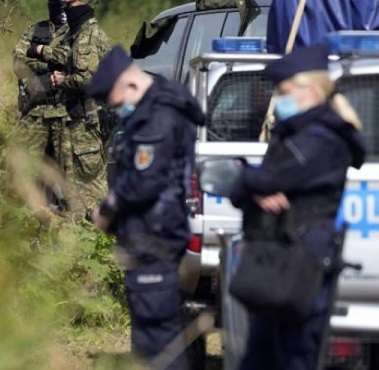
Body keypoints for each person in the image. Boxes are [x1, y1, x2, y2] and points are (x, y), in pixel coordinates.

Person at [229, 44, 366, 370]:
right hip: (276, 263)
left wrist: (252, 182)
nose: (279, 98)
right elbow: (244, 188)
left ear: (311, 90)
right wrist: (252, 184)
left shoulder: (323, 138)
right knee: (258, 359)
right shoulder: (292, 134)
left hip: (301, 267)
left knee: (294, 359)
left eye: (284, 90)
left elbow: (265, 178)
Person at [88, 46, 206, 370]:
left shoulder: (158, 117)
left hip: (155, 237)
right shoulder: (157, 110)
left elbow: (144, 181)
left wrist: (109, 208)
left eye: (115, 103)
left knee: (158, 341)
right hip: (152, 236)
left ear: (129, 84)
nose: (117, 110)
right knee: (153, 337)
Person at [27, 0, 111, 219]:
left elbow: (85, 78)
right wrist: (43, 51)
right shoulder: (80, 33)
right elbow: (68, 56)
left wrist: (61, 80)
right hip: (79, 122)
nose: (66, 6)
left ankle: (100, 243)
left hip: (87, 123)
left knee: (91, 191)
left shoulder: (87, 36)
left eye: (71, 2)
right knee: (74, 190)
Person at [12, 0, 70, 212]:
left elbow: (78, 63)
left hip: (66, 114)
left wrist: (38, 56)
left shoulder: (78, 31)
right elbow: (18, 61)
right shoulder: (35, 30)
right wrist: (45, 74)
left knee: (67, 172)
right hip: (36, 113)